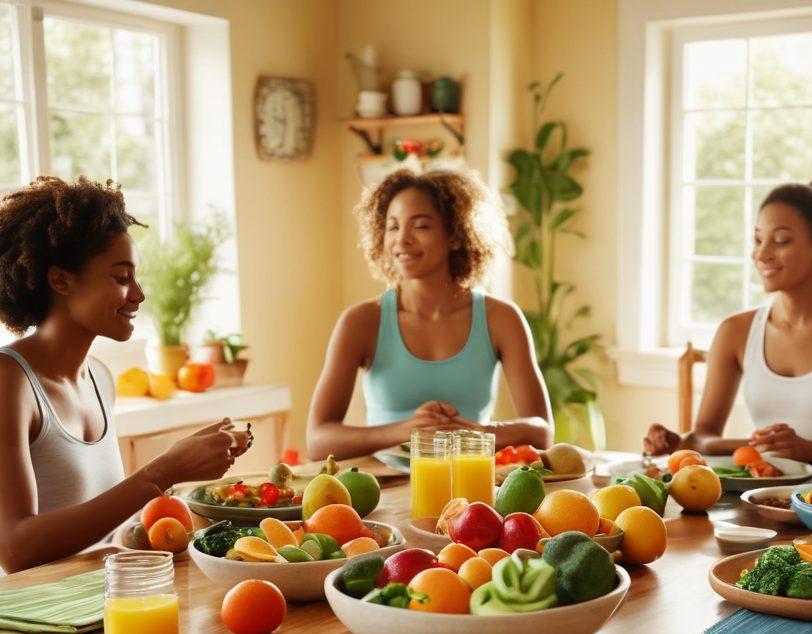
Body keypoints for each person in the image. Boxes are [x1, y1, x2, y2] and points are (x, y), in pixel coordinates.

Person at [0, 176, 251, 574]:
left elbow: (102, 533)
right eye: (121, 277)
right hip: (38, 623)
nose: (139, 294)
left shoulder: (100, 378)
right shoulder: (9, 382)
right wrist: (161, 472)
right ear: (61, 279)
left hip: (104, 603)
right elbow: (15, 550)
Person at [644, 179, 812, 473]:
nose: (762, 253)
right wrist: (679, 442)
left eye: (780, 241)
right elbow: (703, 437)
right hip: (756, 497)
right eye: (757, 240)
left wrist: (807, 450)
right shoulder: (735, 332)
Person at [307, 168, 551, 458]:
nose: (402, 239)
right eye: (393, 226)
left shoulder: (502, 318)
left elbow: (541, 431)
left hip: (471, 482)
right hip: (383, 488)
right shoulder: (360, 322)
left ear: (456, 236)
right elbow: (318, 440)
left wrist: (476, 433)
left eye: (420, 226)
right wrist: (406, 431)